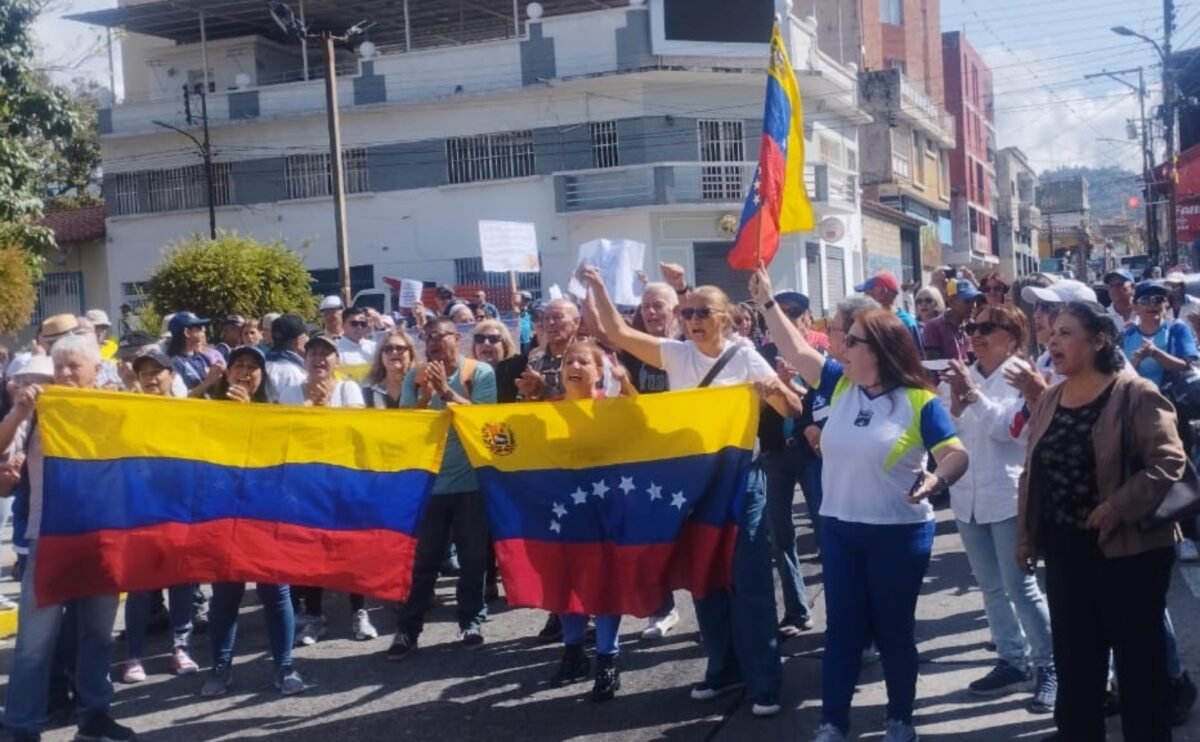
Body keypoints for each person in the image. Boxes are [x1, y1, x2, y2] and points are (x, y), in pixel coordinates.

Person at [753, 267, 970, 742]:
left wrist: (937, 478)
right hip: (840, 530)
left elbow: (956, 454)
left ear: (878, 350)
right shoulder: (840, 385)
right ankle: (832, 722)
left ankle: (900, 720)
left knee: (894, 632)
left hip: (898, 533)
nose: (841, 348)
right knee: (844, 632)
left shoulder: (919, 401)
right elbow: (795, 349)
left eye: (851, 341)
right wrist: (767, 302)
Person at [580, 264, 801, 718]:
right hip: (695, 484)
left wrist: (773, 390)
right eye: (687, 312)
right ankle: (724, 668)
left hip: (741, 481)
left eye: (702, 312)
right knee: (705, 580)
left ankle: (765, 680)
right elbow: (618, 333)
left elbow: (792, 407)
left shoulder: (745, 357)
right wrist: (599, 286)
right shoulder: (677, 354)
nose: (693, 319)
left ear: (725, 318)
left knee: (749, 581)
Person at [1017, 301, 1185, 742]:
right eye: (1052, 333)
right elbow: (1033, 472)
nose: (1053, 341)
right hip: (1066, 551)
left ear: (1099, 341)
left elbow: (1169, 462)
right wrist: (1026, 537)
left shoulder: (1136, 393)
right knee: (1076, 666)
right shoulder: (1050, 397)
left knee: (1139, 670)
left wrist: (1119, 506)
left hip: (1131, 552)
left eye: (1066, 333)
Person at [0, 333, 139, 742]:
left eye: (74, 365)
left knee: (98, 634)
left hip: (102, 538)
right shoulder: (41, 408)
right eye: (59, 365)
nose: (64, 373)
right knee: (34, 642)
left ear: (95, 370)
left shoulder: (113, 406)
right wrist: (18, 411)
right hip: (49, 539)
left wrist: (130, 393)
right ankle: (20, 727)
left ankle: (94, 718)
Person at [938, 305, 1057, 712]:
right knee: (990, 588)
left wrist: (972, 397)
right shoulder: (960, 374)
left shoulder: (1023, 377)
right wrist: (957, 405)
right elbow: (947, 434)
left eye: (988, 328)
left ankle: (1049, 664)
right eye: (973, 327)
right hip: (967, 498)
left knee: (1021, 587)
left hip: (1007, 497)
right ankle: (1012, 660)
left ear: (1014, 337)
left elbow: (1011, 431)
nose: (977, 334)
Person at [389, 318, 498, 660]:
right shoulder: (415, 376)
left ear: (458, 338)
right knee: (423, 564)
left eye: (441, 336)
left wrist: (447, 393)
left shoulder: (478, 373)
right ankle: (408, 630)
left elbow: (484, 421)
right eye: (428, 337)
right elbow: (405, 427)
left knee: (473, 561)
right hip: (429, 485)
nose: (434, 342)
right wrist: (424, 397)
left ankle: (471, 622)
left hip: (470, 484)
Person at [202, 344, 306, 697]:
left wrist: (249, 415)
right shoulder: (207, 412)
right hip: (223, 516)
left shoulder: (274, 413)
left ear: (262, 376)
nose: (245, 372)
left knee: (275, 592)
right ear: (227, 372)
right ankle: (220, 668)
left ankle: (284, 665)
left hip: (265, 515)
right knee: (225, 595)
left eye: (252, 367)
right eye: (239, 365)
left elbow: (280, 459)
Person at [549, 338, 634, 702]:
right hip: (563, 510)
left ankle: (607, 659)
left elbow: (644, 420)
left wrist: (625, 383)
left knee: (604, 583)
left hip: (606, 507)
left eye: (584, 361)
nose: (575, 366)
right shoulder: (546, 410)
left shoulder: (612, 405)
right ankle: (573, 652)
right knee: (564, 580)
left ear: (599, 372)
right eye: (569, 360)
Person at [277, 334, 375, 644]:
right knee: (312, 552)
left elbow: (355, 430)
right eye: (313, 353)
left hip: (344, 481)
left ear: (337, 360)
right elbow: (285, 435)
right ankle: (314, 617)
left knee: (351, 549)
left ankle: (360, 612)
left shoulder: (348, 389)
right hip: (305, 485)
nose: (319, 359)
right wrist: (311, 408)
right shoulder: (290, 393)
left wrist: (325, 411)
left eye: (326, 353)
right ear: (304, 360)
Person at [121, 348, 199, 684]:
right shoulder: (128, 412)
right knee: (140, 586)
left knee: (182, 583)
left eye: (157, 372)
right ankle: (133, 655)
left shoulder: (188, 413)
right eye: (144, 373)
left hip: (180, 510)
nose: (151, 378)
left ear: (172, 376)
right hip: (140, 512)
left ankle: (180, 647)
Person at [757, 291, 818, 642]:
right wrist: (773, 389)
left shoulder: (819, 357)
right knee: (779, 534)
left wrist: (795, 387)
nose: (788, 318)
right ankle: (796, 610)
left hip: (812, 454)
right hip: (774, 453)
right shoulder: (760, 357)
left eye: (794, 313)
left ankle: (846, 613)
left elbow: (827, 401)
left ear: (807, 319)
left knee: (826, 530)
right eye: (780, 312)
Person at [1122, 280, 1198, 391]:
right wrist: (1137, 359)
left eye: (1158, 299)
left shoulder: (1177, 329)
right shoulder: (1127, 335)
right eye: (1145, 300)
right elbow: (1122, 374)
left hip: (1172, 397)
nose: (1152, 305)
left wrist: (1155, 353)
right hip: (1138, 397)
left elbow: (1185, 366)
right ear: (1135, 307)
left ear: (1166, 304)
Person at [517, 299, 582, 402]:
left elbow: (592, 398)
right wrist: (529, 394)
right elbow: (522, 403)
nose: (550, 323)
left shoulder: (586, 360)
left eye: (557, 317)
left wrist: (545, 390)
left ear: (576, 322)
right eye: (546, 318)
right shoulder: (535, 362)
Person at [856, 272, 923, 354]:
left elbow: (918, 357)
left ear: (882, 292)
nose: (864, 297)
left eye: (867, 293)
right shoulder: (867, 321)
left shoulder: (906, 323)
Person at [167, 312, 225, 398]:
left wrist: (220, 377)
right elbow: (182, 397)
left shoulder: (202, 357)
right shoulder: (173, 364)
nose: (204, 331)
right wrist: (208, 381)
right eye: (200, 328)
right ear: (187, 332)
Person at [922, 279, 981, 362]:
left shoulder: (972, 326)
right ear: (951, 302)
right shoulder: (934, 327)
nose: (973, 306)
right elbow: (935, 364)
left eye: (974, 301)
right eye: (967, 302)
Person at [471, 319, 524, 404]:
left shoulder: (519, 370)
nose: (486, 343)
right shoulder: (467, 374)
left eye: (493, 339)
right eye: (479, 339)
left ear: (505, 345)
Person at [363, 329, 416, 409]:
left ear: (411, 355)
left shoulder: (420, 388)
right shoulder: (368, 392)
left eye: (400, 348)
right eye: (388, 349)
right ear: (381, 357)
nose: (394, 352)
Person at [264, 314, 309, 402]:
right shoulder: (295, 374)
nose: (308, 339)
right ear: (297, 341)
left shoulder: (261, 364)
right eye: (305, 336)